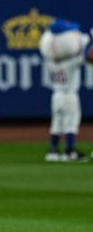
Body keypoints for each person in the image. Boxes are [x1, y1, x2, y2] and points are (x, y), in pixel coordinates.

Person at [39, 18, 90, 163]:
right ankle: (70, 150)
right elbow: (88, 56)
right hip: (69, 95)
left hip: (56, 96)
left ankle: (53, 150)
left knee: (56, 123)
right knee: (71, 123)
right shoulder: (71, 60)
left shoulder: (51, 60)